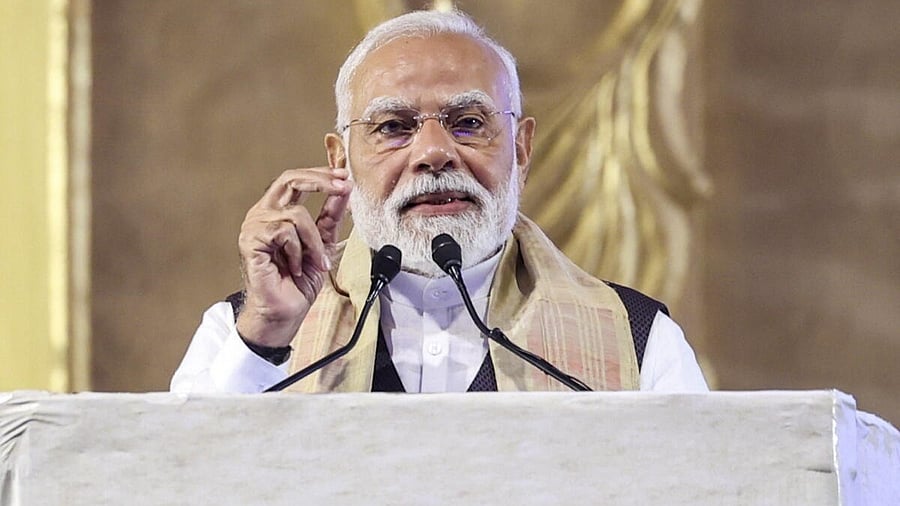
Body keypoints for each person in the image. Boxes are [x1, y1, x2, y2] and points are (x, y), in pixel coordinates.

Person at [171, 10, 707, 394]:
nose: (433, 152)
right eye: (393, 127)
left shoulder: (639, 343)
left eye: (468, 122)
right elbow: (180, 481)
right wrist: (266, 338)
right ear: (341, 161)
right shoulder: (236, 334)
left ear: (521, 149)